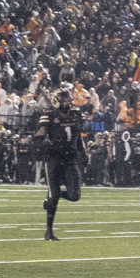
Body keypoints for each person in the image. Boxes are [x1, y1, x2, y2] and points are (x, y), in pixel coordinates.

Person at [34, 85, 87, 241]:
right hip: (54, 158)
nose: (65, 101)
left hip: (70, 158)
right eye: (62, 98)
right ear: (56, 100)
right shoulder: (49, 115)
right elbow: (40, 134)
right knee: (55, 195)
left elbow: (79, 137)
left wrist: (83, 152)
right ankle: (49, 230)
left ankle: (50, 196)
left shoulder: (76, 114)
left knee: (74, 195)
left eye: (66, 98)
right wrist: (41, 143)